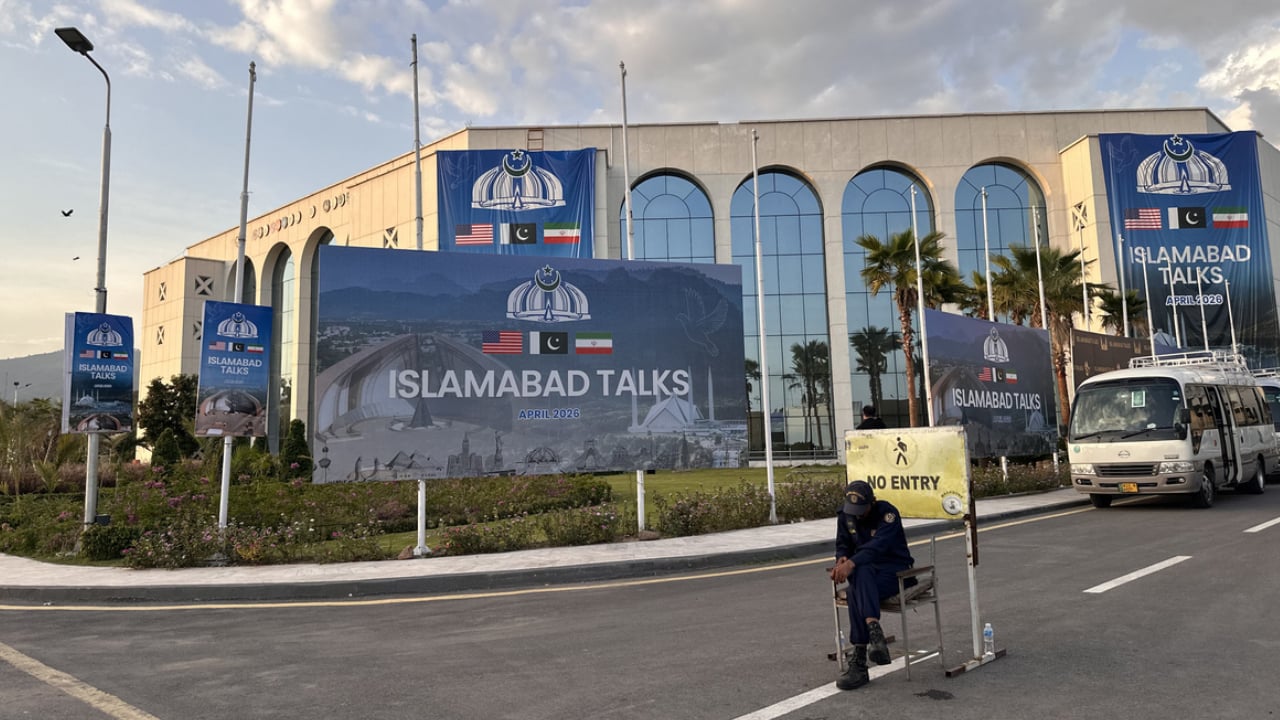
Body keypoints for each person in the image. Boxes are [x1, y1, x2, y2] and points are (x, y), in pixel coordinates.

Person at [828, 480, 914, 690]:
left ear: (872, 502)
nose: (857, 516)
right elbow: (842, 543)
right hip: (866, 574)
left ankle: (859, 661)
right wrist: (842, 557)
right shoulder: (846, 515)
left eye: (862, 510)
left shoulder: (887, 514)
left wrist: (851, 563)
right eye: (853, 511)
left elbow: (878, 546)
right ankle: (874, 632)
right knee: (860, 574)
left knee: (856, 586)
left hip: (894, 572)